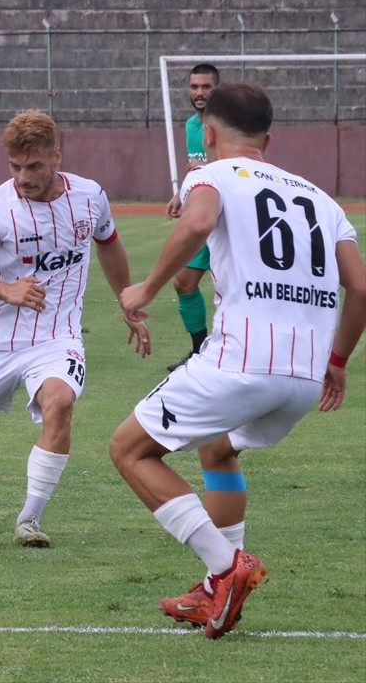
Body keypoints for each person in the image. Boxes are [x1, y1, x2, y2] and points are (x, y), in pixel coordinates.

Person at [109, 81, 365, 639]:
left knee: (128, 450)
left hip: (241, 362)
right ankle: (213, 590)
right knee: (217, 445)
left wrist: (145, 289)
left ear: (208, 134)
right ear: (268, 140)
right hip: (303, 378)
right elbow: (362, 288)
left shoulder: (212, 174)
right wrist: (339, 360)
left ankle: (227, 568)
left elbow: (198, 222)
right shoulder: (323, 200)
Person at [0, 110, 149, 547]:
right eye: (15, 167)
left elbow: (108, 243)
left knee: (60, 403)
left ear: (56, 156)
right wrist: (6, 290)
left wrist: (125, 300)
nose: (23, 177)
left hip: (58, 337)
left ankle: (29, 520)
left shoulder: (90, 196)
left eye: (33, 166)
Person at [165, 63, 220, 372]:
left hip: (226, 217)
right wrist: (180, 194)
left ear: (217, 89)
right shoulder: (191, 126)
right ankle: (200, 352)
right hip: (200, 215)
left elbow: (238, 163)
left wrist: (205, 168)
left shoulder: (226, 124)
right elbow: (196, 170)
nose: (199, 92)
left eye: (206, 87)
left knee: (236, 287)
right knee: (184, 283)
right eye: (195, 87)